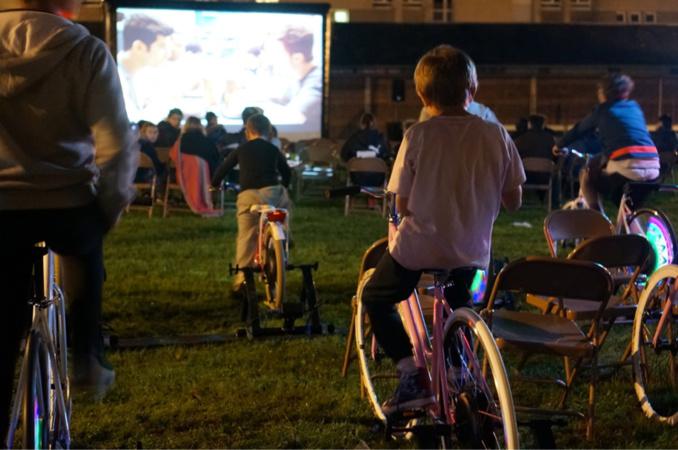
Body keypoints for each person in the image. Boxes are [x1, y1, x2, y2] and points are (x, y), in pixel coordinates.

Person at [360, 45, 524, 415]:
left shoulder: (417, 135)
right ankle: (455, 369)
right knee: (458, 302)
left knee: (377, 297)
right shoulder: (496, 135)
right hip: (471, 249)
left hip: (420, 246)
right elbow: (513, 200)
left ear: (421, 94)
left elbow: (401, 204)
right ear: (474, 89)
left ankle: (409, 375)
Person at [0, 0, 137, 431]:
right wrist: (109, 209)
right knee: (85, 255)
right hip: (68, 204)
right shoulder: (86, 51)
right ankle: (87, 361)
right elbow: (115, 146)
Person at [557, 73, 660, 215]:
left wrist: (559, 145)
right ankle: (634, 231)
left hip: (627, 166)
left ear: (604, 92)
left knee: (587, 175)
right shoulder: (634, 107)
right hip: (653, 167)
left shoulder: (603, 110)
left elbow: (580, 129)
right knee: (628, 210)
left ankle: (599, 221)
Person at [211, 114, 291, 293]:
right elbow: (286, 172)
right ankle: (285, 235)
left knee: (246, 236)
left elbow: (224, 168)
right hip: (271, 193)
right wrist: (284, 185)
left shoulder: (241, 149)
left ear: (248, 131)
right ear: (269, 131)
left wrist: (214, 184)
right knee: (284, 201)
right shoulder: (272, 149)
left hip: (248, 196)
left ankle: (241, 280)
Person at [116, 14, 174, 121]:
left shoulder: (148, 77)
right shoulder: (111, 73)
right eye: (162, 47)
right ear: (139, 47)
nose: (168, 54)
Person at [275, 27, 322, 131]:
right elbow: (280, 100)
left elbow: (293, 115)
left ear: (297, 58)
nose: (273, 60)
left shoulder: (317, 82)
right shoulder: (298, 78)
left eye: (278, 55)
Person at [341, 112, 391, 187]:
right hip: (378, 179)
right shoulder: (381, 140)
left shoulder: (353, 139)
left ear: (361, 124)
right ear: (373, 124)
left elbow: (343, 155)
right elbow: (388, 156)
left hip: (356, 178)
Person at [135, 120, 166, 185]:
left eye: (155, 132)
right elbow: (156, 165)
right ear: (143, 132)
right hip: (145, 178)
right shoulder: (148, 146)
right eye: (150, 132)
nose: (153, 135)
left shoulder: (134, 144)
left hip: (130, 177)